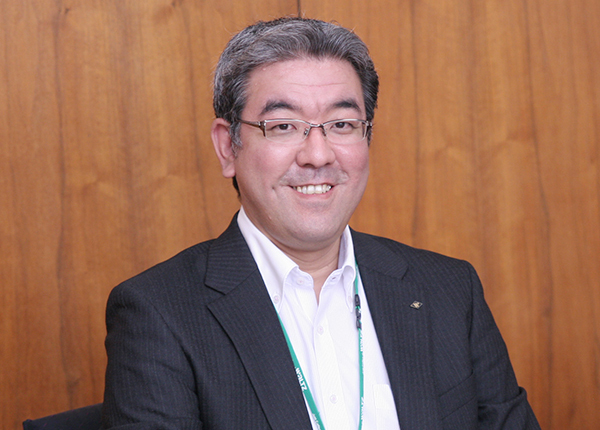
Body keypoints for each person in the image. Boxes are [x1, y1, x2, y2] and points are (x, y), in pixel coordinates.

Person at [102, 17, 541, 430]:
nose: (318, 154)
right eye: (283, 126)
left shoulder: (448, 290)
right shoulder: (158, 313)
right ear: (228, 147)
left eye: (342, 124)